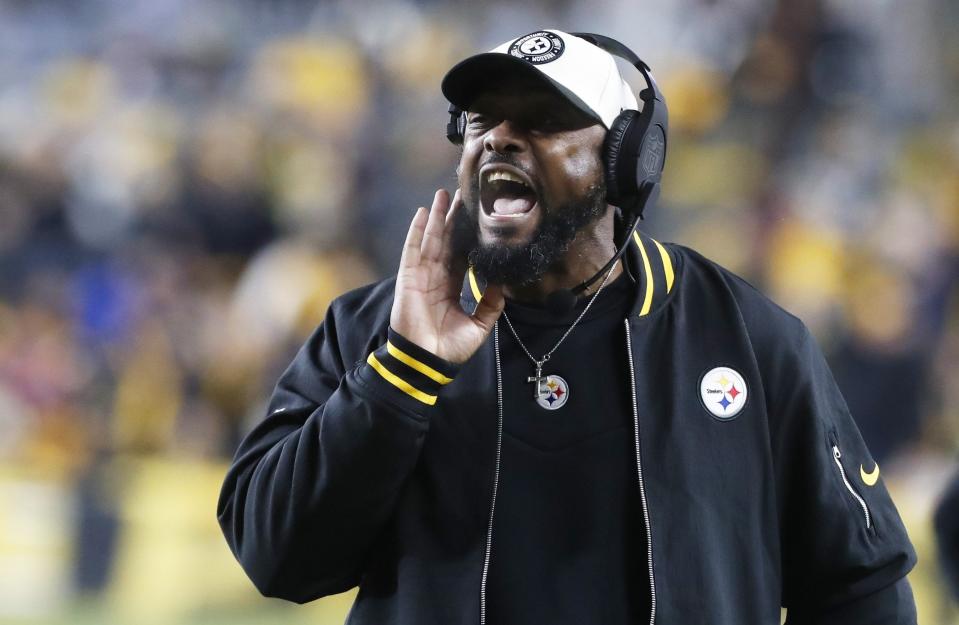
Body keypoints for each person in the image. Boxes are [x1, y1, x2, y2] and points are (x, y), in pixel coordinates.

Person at [217, 29, 917, 624]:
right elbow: (275, 558)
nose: (498, 139)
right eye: (482, 120)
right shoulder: (372, 328)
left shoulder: (749, 339)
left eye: (541, 121)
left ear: (626, 160)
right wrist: (402, 374)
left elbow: (863, 584)